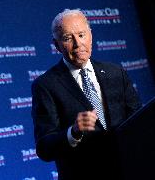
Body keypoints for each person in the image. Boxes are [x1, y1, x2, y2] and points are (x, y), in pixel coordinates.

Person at [31, 9, 142, 180]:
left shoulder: (115, 73)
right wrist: (73, 132)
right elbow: (44, 147)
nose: (77, 44)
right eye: (68, 38)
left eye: (81, 35)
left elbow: (137, 120)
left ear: (91, 35)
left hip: (128, 170)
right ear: (57, 45)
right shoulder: (46, 85)